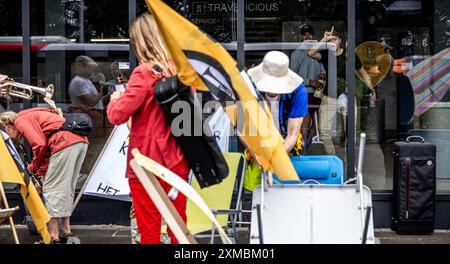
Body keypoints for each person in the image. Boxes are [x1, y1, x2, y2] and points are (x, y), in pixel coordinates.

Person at [106, 13, 190, 244]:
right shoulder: (181, 71)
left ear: (141, 41)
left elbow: (117, 115)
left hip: (147, 162)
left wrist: (114, 99)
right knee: (178, 227)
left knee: (149, 230)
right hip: (178, 160)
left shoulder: (145, 72)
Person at [0, 109, 88, 244]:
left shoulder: (21, 121)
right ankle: (66, 231)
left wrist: (33, 167)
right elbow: (46, 147)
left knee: (51, 189)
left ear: (6, 126)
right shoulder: (32, 114)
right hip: (79, 142)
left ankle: (53, 236)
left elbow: (40, 144)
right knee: (66, 188)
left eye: (7, 135)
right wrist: (42, 172)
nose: (12, 139)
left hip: (63, 142)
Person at [248, 51, 308, 155]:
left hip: (288, 146)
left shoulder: (298, 91)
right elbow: (243, 129)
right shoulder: (248, 88)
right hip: (255, 147)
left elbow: (293, 134)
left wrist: (276, 159)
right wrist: (256, 154)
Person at [290, 24, 326, 121]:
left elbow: (323, 69)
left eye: (309, 34)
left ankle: (313, 136)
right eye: (304, 34)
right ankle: (306, 137)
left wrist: (322, 76)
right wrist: (310, 82)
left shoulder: (318, 53)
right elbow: (292, 77)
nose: (307, 37)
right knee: (306, 117)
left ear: (313, 36)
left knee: (320, 119)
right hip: (304, 92)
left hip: (319, 92)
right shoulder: (296, 53)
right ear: (301, 37)